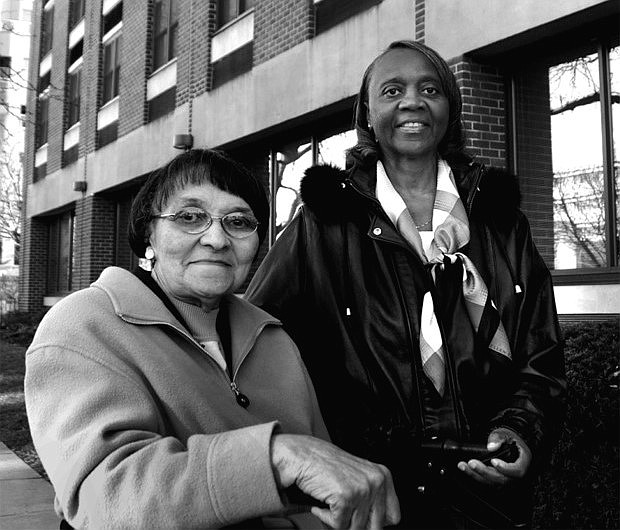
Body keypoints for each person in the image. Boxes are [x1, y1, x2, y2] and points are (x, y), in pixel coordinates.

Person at [246, 41, 566, 529]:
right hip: (372, 500)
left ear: (449, 109)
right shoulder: (325, 223)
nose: (412, 102)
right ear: (368, 114)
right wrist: (318, 451)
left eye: (429, 89)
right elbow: (259, 341)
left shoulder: (502, 224)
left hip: (486, 498)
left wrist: (519, 429)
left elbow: (541, 358)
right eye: (392, 90)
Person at [24, 149, 400, 529]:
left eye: (238, 222)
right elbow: (105, 495)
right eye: (189, 217)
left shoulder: (275, 339)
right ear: (147, 235)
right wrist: (275, 458)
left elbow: (322, 490)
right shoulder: (84, 325)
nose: (217, 239)